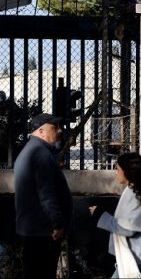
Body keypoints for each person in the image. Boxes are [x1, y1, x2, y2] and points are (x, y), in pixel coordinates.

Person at [14, 113, 72, 279]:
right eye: (54, 128)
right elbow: (46, 193)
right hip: (43, 231)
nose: (60, 131)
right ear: (41, 131)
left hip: (34, 229)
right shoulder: (40, 153)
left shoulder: (31, 150)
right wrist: (57, 224)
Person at [89, 153, 141, 278]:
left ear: (127, 171)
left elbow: (127, 228)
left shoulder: (136, 194)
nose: (115, 172)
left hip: (136, 258)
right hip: (136, 256)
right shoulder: (140, 190)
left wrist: (99, 214)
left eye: (117, 168)